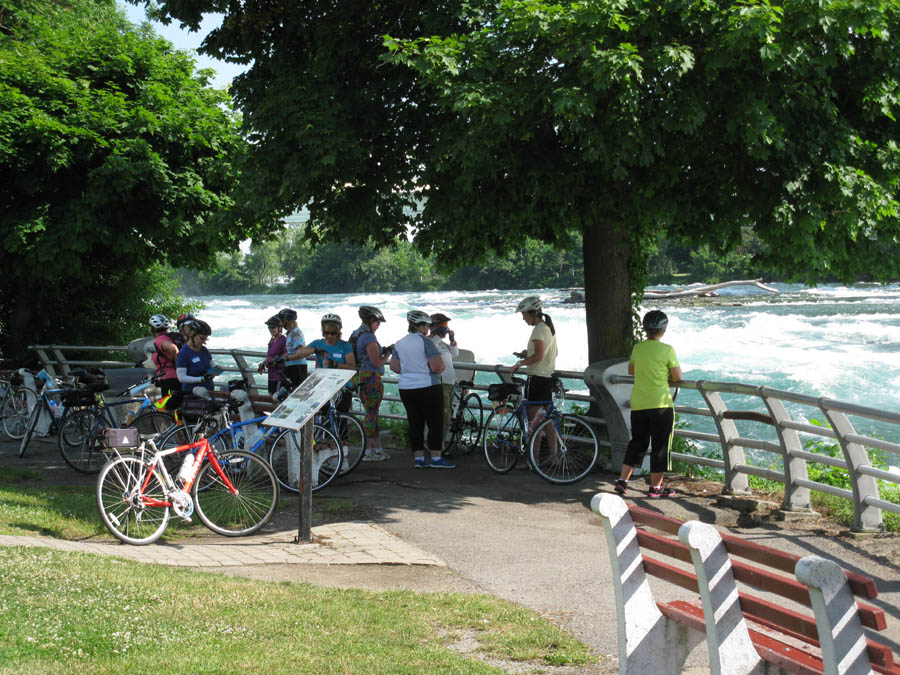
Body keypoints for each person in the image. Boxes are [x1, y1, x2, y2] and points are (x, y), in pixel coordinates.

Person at [615, 309, 682, 499]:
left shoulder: (638, 348)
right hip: (660, 405)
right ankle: (655, 488)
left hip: (639, 403)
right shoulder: (667, 350)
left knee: (637, 443)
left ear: (645, 329)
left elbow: (631, 370)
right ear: (664, 330)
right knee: (660, 446)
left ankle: (622, 481)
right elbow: (677, 377)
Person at [391, 310, 453, 468]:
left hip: (405, 387)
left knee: (415, 423)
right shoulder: (426, 342)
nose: (428, 328)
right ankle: (436, 459)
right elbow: (437, 367)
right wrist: (442, 365)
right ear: (422, 326)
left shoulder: (399, 342)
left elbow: (395, 367)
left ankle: (418, 459)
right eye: (427, 325)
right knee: (434, 423)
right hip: (427, 386)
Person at [350, 306, 392, 461]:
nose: (379, 325)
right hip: (371, 379)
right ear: (370, 321)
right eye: (377, 322)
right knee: (372, 414)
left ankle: (377, 449)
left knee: (370, 412)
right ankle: (368, 450)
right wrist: (388, 352)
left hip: (359, 378)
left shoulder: (356, 334)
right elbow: (377, 362)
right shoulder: (369, 337)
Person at [510, 296, 558, 431]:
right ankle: (554, 452)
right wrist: (528, 354)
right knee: (547, 422)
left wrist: (519, 363)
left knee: (533, 424)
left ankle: (533, 453)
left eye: (524, 315)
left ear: (532, 313)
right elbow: (552, 353)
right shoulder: (549, 328)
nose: (523, 318)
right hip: (547, 378)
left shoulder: (538, 329)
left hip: (537, 379)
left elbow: (539, 355)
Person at [296, 313, 357, 414]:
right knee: (323, 417)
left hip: (342, 387)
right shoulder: (318, 343)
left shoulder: (345, 346)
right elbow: (299, 353)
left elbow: (352, 367)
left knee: (341, 420)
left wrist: (336, 364)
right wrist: (314, 350)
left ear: (338, 332)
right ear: (323, 332)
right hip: (323, 387)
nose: (329, 336)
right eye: (326, 333)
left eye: (333, 333)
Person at [429, 313, 459, 451]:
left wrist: (452, 340)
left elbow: (455, 354)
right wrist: (437, 336)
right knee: (443, 416)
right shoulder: (430, 341)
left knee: (447, 416)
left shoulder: (442, 344)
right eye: (443, 326)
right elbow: (429, 348)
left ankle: (439, 446)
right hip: (440, 384)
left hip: (450, 383)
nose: (446, 329)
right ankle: (438, 447)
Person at [176, 319, 217, 393]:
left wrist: (215, 370)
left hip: (209, 391)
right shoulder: (183, 353)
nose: (204, 342)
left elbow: (212, 366)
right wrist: (201, 379)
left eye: (206, 339)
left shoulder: (204, 350)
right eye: (201, 338)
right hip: (192, 394)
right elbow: (181, 377)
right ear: (192, 334)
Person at [149, 314, 180, 397]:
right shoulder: (171, 337)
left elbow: (173, 349)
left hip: (169, 379)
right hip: (178, 377)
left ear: (152, 329)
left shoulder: (160, 339)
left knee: (168, 407)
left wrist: (178, 363)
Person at [278, 308, 308, 390]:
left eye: (282, 320)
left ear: (287, 320)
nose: (281, 323)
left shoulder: (296, 334)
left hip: (297, 367)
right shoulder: (290, 333)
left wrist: (287, 357)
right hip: (292, 367)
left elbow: (301, 353)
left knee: (297, 391)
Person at [257, 315, 287, 394]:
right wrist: (263, 363)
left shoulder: (283, 340)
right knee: (271, 395)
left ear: (280, 328)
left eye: (273, 327)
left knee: (277, 397)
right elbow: (269, 356)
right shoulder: (272, 340)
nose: (270, 329)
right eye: (269, 327)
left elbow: (286, 355)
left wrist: (276, 360)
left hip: (279, 376)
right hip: (271, 375)